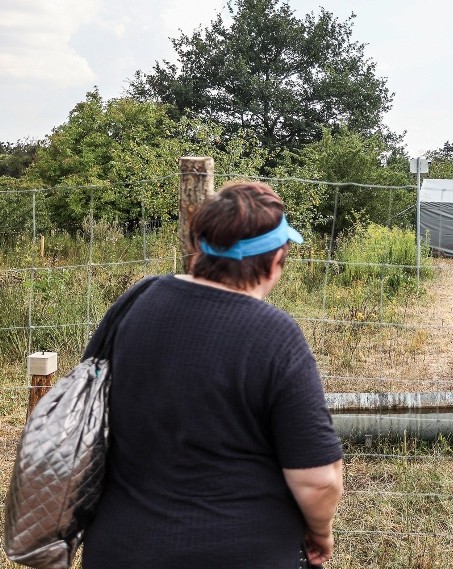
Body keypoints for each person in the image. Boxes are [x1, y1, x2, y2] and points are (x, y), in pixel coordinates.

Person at [81, 181, 344, 568]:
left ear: (200, 245)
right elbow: (318, 479)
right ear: (275, 260)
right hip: (240, 552)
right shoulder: (275, 335)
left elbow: (88, 405)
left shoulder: (136, 300)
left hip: (120, 548)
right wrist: (320, 533)